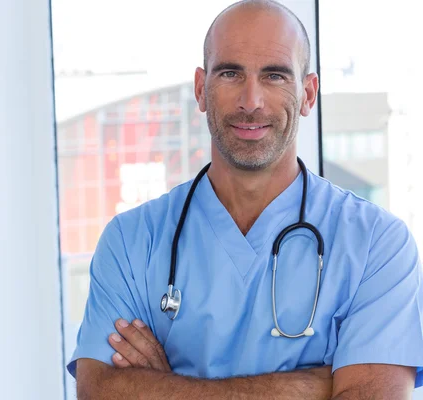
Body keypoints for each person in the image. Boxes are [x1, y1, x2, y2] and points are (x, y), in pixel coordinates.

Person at [67, 0, 423, 398]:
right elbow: (99, 391)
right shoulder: (132, 241)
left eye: (274, 76)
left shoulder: (377, 243)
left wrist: (162, 387)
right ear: (201, 89)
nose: (251, 101)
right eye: (230, 73)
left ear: (308, 94)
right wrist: (313, 386)